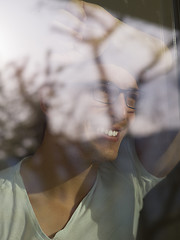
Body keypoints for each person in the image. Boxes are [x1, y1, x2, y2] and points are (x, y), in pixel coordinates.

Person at [0, 1, 179, 240]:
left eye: (131, 99)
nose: (121, 113)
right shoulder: (4, 202)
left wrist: (113, 31)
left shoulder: (129, 180)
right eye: (104, 92)